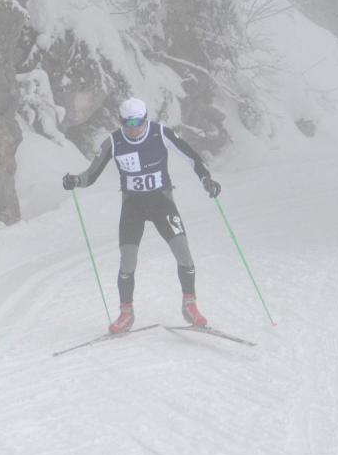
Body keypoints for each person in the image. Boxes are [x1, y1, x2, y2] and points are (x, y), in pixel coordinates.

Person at [62, 97, 222, 333]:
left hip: (161, 203)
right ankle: (126, 313)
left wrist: (206, 179)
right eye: (127, 123)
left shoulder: (160, 133)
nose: (133, 128)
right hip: (133, 207)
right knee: (127, 260)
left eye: (137, 122)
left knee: (183, 252)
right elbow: (91, 175)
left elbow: (192, 157)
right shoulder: (114, 142)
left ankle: (190, 305)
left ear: (146, 119)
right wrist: (75, 180)